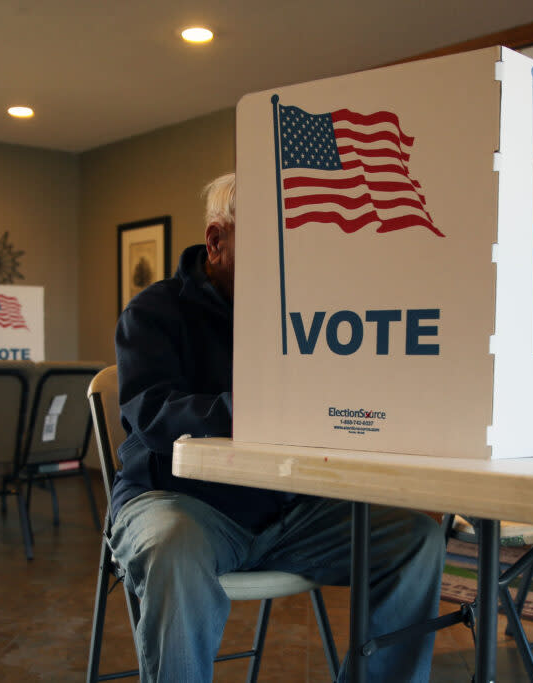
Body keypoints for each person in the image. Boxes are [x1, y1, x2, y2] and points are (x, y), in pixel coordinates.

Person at [110, 172, 445, 682]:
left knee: (416, 537)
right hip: (178, 503)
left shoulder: (299, 313)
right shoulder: (153, 313)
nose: (289, 262)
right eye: (272, 245)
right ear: (217, 240)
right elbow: (153, 414)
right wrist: (263, 409)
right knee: (172, 545)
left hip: (288, 508)